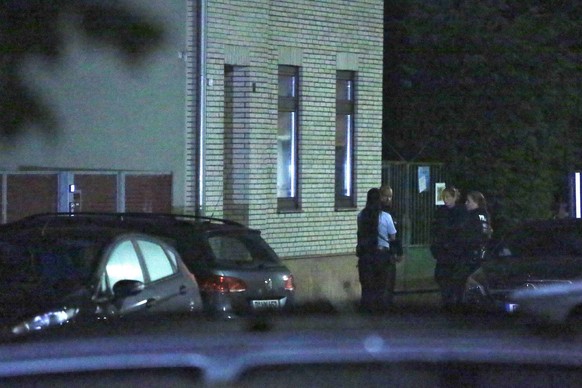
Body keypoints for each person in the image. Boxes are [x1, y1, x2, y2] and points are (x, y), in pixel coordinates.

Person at [356, 187, 401, 313]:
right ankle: (380, 310)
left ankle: (367, 310)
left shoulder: (361, 216)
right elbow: (393, 236)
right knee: (381, 285)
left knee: (367, 286)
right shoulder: (386, 217)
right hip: (382, 255)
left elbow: (360, 234)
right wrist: (397, 252)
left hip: (366, 256)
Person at [451, 190, 492, 309]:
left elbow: (469, 236)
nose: (466, 203)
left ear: (476, 203)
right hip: (479, 253)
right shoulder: (484, 215)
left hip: (470, 253)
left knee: (464, 278)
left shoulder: (473, 217)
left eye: (469, 201)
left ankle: (469, 303)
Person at [430, 186, 466, 310]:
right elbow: (435, 229)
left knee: (454, 278)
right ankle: (447, 300)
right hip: (443, 252)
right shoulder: (441, 211)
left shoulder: (461, 212)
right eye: (444, 197)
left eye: (448, 197)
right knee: (442, 277)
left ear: (455, 197)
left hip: (455, 251)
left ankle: (455, 301)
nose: (445, 200)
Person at [379, 184, 403, 306]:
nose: (388, 199)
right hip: (382, 252)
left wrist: (399, 252)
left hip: (390, 253)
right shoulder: (379, 212)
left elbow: (397, 234)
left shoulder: (392, 211)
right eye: (386, 196)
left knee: (390, 282)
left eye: (390, 196)